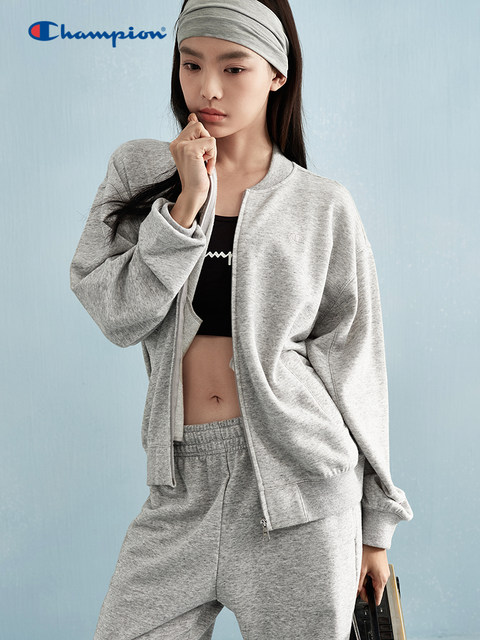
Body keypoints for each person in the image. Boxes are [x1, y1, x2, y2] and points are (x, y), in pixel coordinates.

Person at [69, 0, 414, 638]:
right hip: (181, 486)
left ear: (277, 74)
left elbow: (356, 364)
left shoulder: (321, 205)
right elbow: (117, 313)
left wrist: (375, 528)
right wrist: (185, 205)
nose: (207, 89)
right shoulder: (139, 172)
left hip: (300, 490)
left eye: (233, 68)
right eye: (191, 64)